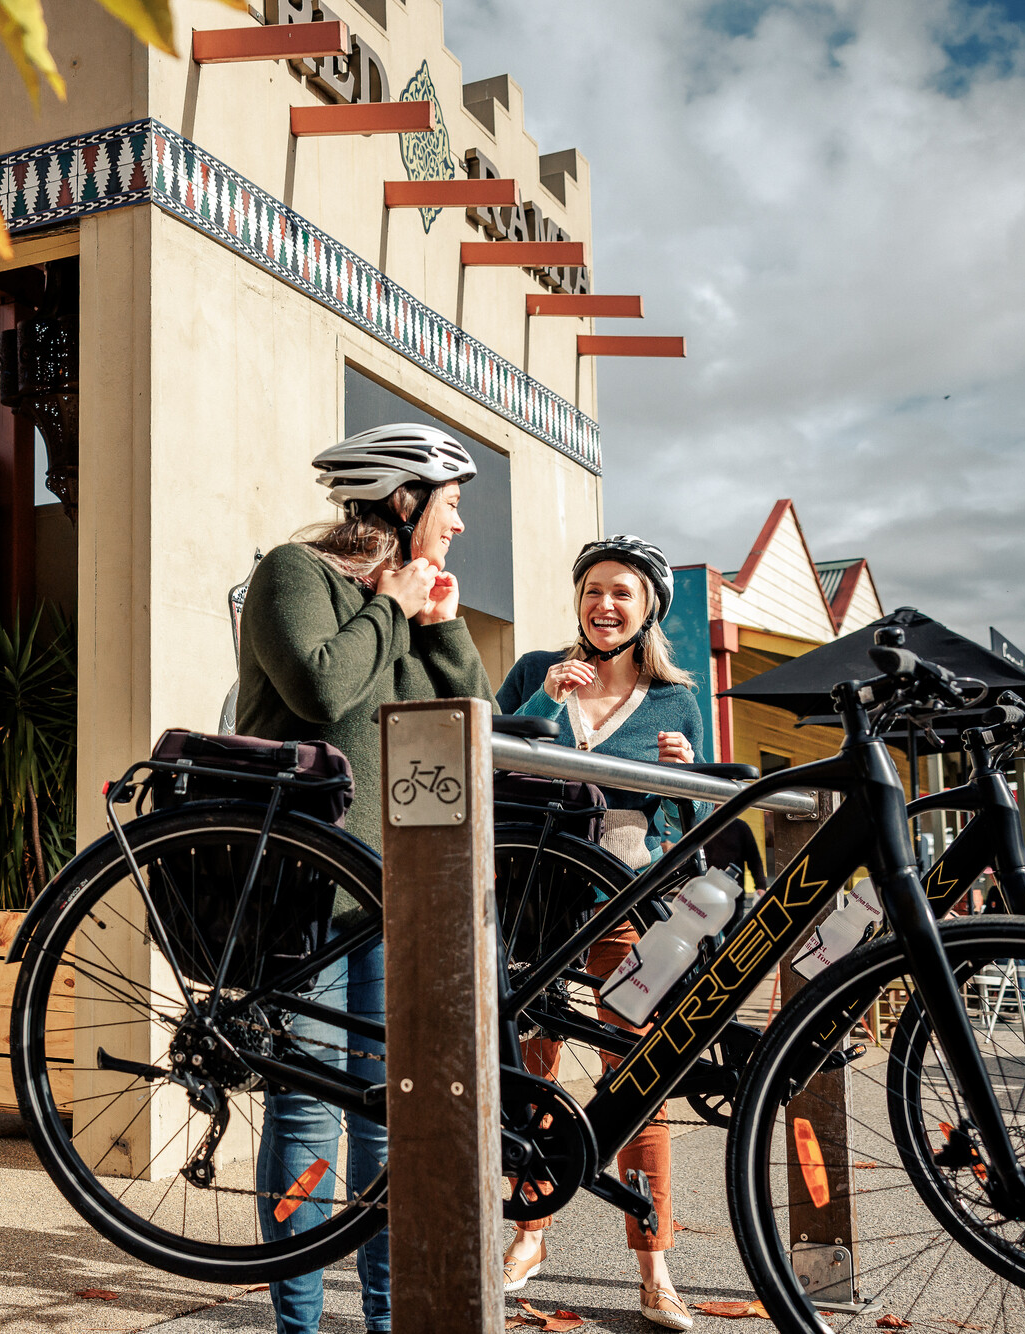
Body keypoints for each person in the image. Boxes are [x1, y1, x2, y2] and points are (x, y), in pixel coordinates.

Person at [235, 422, 495, 1334]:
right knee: (307, 1111)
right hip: (305, 893)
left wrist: (443, 622)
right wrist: (389, 602)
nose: (459, 526)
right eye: (452, 506)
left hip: (395, 904)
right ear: (402, 498)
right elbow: (319, 689)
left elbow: (469, 723)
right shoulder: (291, 573)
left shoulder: (410, 604)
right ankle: (299, 1328)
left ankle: (388, 1322)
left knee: (394, 1119)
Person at [494, 535, 704, 1332]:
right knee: (533, 1074)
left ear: (648, 606)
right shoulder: (537, 673)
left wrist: (683, 776)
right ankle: (529, 1235)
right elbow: (486, 759)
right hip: (533, 907)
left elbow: (686, 825)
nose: (605, 604)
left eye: (621, 592)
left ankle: (655, 1266)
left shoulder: (675, 700)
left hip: (626, 907)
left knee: (638, 1080)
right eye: (593, 591)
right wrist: (545, 699)